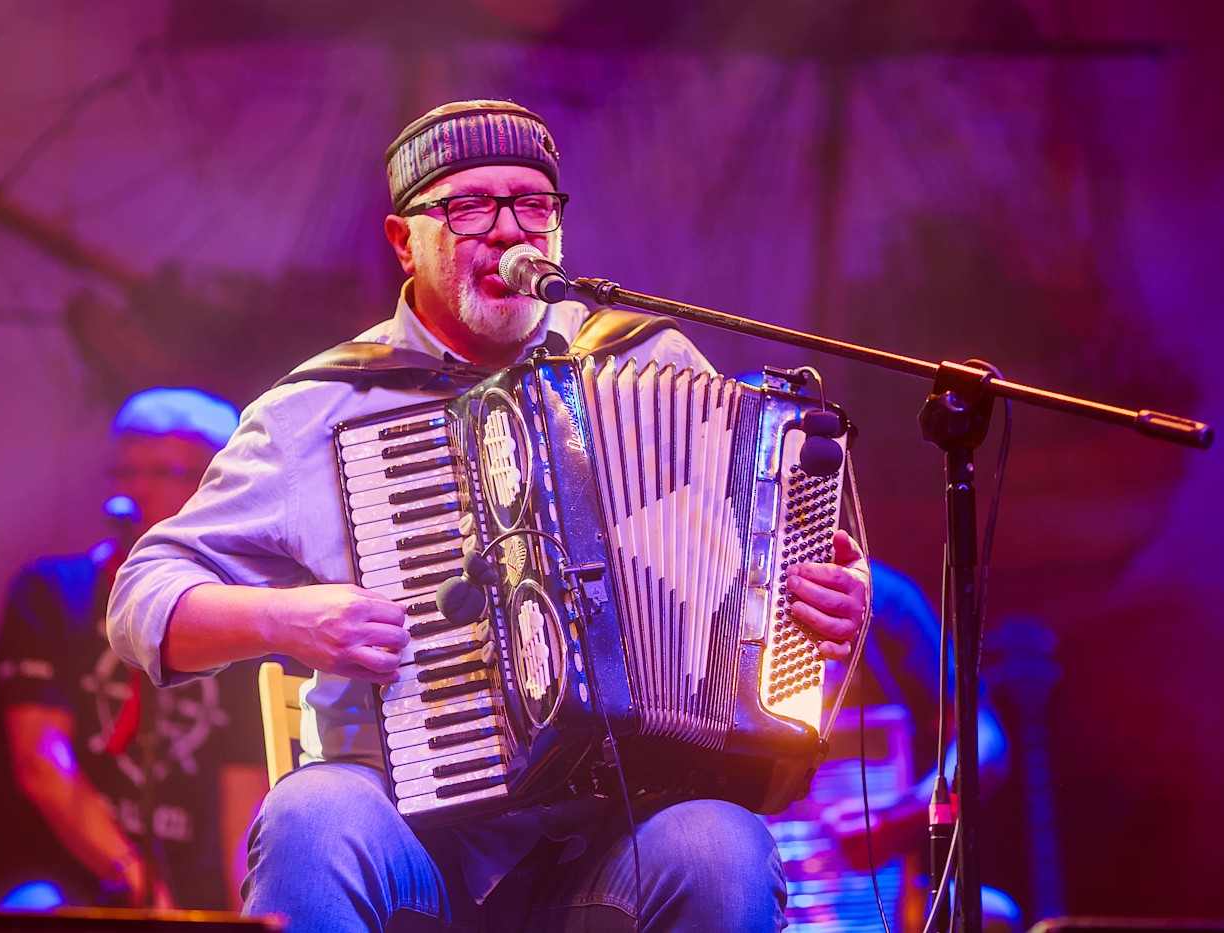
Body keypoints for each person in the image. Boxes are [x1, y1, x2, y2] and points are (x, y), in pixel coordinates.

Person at [108, 100, 871, 932]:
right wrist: (285, 618)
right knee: (312, 815)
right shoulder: (321, 408)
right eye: (469, 206)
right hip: (408, 834)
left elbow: (765, 568)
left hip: (616, 832)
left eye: (533, 205)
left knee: (721, 844)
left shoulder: (649, 363)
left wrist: (828, 599)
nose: (509, 233)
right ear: (405, 240)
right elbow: (142, 598)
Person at [0, 387, 267, 911]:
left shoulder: (239, 620)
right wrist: (137, 881)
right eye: (125, 471)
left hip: (184, 889)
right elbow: (41, 762)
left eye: (163, 472)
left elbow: (244, 798)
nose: (132, 491)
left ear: (215, 487)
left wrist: (247, 912)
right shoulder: (51, 592)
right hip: (51, 878)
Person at [762, 559, 1017, 933]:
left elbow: (986, 744)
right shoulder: (727, 600)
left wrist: (900, 818)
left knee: (996, 917)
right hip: (758, 892)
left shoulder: (887, 600)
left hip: (887, 899)